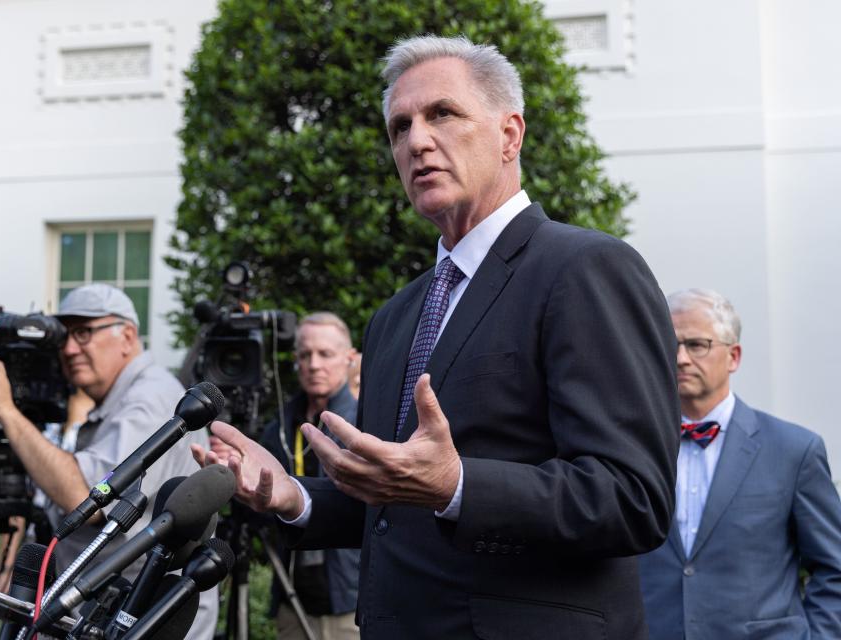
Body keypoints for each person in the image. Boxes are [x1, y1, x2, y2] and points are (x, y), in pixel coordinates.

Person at [192, 35, 679, 639]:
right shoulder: (397, 315)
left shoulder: (585, 268)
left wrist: (458, 485)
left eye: (442, 114)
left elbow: (633, 498)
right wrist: (291, 494)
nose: (416, 141)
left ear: (510, 134)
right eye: (399, 127)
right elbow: (394, 506)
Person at [0, 283, 217, 638]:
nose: (69, 349)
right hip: (122, 612)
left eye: (84, 333)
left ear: (128, 335)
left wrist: (8, 414)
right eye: (65, 337)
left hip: (144, 618)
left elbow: (87, 500)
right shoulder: (126, 396)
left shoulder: (149, 399)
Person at [638, 289, 841, 638]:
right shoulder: (634, 446)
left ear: (733, 356)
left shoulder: (794, 450)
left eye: (697, 344)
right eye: (670, 344)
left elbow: (834, 569)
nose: (681, 358)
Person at [257, 313, 360, 640]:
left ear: (350, 359)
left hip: (350, 604)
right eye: (305, 355)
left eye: (325, 354)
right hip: (293, 599)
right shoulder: (281, 427)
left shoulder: (366, 421)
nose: (314, 364)